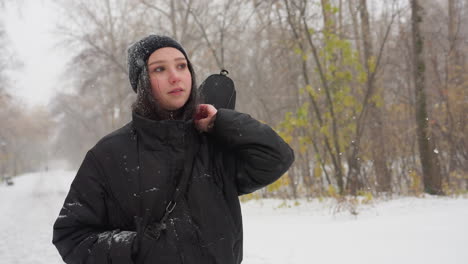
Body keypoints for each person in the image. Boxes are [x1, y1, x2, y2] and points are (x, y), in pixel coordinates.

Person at [52, 35, 294, 264]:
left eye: (181, 66)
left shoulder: (212, 142)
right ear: (142, 82)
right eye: (159, 69)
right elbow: (71, 236)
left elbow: (277, 157)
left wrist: (220, 122)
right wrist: (139, 250)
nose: (175, 77)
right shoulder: (109, 154)